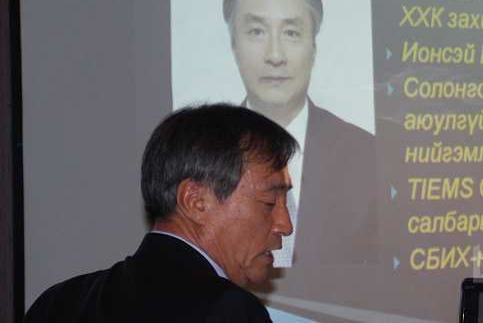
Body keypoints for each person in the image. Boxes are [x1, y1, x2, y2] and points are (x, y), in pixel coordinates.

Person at [24, 104, 296, 322]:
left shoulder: (56, 303)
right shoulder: (225, 308)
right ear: (195, 201)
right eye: (269, 202)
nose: (285, 226)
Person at [222, 0, 377, 266]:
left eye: (291, 33)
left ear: (314, 49)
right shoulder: (205, 155)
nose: (275, 55)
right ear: (234, 44)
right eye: (257, 31)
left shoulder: (368, 156)